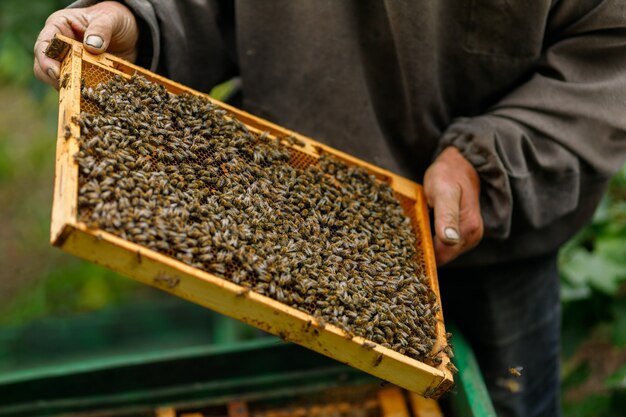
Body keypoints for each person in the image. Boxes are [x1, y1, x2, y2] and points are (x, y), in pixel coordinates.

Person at [34, 2, 626, 416]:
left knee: (500, 396)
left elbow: (608, 53)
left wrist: (487, 160)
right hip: (263, 227)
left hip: (495, 250)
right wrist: (141, 19)